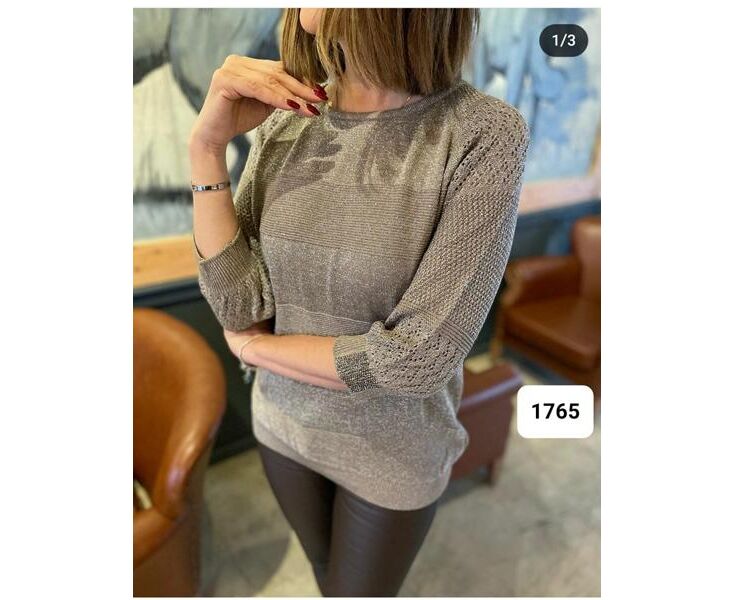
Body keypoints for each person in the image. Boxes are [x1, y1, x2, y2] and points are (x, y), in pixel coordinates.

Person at [189, 7, 529, 597]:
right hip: (283, 428)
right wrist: (207, 147)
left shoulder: (482, 133)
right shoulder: (288, 120)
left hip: (392, 454)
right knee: (325, 578)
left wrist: (255, 352)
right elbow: (239, 306)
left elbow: (418, 359)